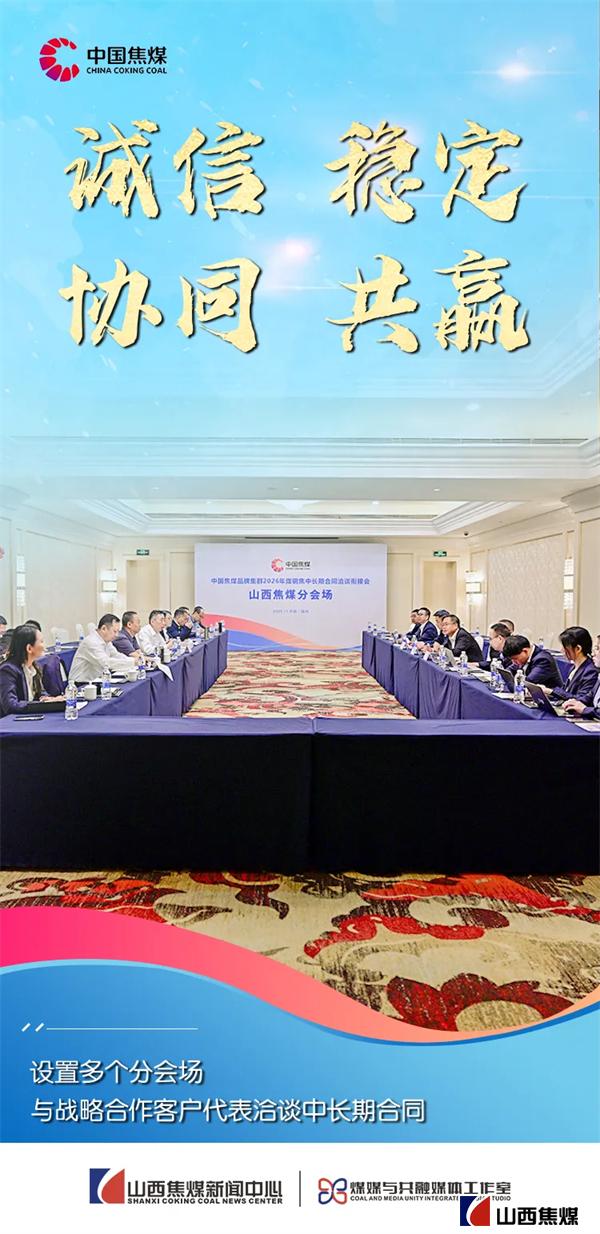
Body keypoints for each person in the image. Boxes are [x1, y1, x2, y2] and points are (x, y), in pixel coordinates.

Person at [0, 624, 64, 716]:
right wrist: (42, 705)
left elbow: (39, 693)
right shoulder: (8, 670)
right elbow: (10, 705)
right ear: (29, 648)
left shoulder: (34, 666)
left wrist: (49, 700)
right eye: (41, 642)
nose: (45, 646)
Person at [69, 614, 133, 682]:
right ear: (103, 629)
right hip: (80, 684)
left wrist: (133, 660)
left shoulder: (106, 641)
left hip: (97, 680)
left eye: (118, 632)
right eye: (114, 631)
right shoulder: (91, 642)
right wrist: (132, 662)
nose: (117, 635)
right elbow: (106, 663)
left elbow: (116, 655)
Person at [546, 627, 599, 706]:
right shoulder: (574, 667)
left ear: (578, 649)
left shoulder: (590, 671)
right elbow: (565, 691)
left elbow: (581, 699)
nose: (561, 650)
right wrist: (548, 693)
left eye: (565, 647)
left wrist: (551, 692)